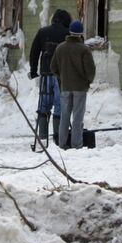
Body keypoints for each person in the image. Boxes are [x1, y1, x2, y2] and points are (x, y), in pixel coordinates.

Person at [27, 9, 71, 149]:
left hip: (45, 74)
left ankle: (42, 140)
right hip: (61, 76)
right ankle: (58, 140)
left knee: (43, 105)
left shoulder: (43, 32)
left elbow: (34, 52)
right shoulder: (67, 34)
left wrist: (33, 71)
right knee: (60, 105)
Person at [49, 20, 95, 149]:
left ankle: (62, 144)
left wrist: (62, 77)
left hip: (65, 87)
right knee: (77, 118)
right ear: (81, 34)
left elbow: (53, 68)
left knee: (64, 117)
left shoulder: (60, 48)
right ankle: (76, 144)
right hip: (80, 88)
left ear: (70, 31)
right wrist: (87, 81)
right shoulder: (84, 49)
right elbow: (90, 71)